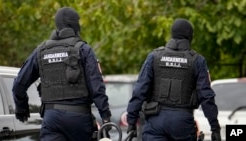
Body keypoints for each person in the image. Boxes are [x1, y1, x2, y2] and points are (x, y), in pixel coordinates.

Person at [12, 7, 112, 141]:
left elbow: (19, 84)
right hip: (79, 119)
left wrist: (21, 108)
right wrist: (105, 117)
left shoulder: (41, 51)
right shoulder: (83, 49)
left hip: (51, 119)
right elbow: (97, 87)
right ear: (73, 25)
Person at [126, 18, 221, 141]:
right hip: (182, 123)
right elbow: (206, 96)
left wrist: (131, 122)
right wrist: (214, 127)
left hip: (155, 122)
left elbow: (139, 90)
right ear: (190, 37)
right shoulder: (197, 61)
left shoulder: (154, 57)